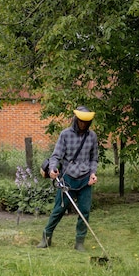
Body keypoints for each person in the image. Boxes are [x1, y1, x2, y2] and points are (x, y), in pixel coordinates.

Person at [37, 106, 98, 251]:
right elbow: (56, 156)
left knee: (84, 211)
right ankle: (46, 238)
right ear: (76, 120)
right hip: (67, 179)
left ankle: (79, 242)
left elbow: (94, 159)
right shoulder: (65, 134)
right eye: (81, 121)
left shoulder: (92, 136)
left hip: (85, 180)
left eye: (86, 122)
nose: (83, 124)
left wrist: (93, 173)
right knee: (59, 209)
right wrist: (52, 169)